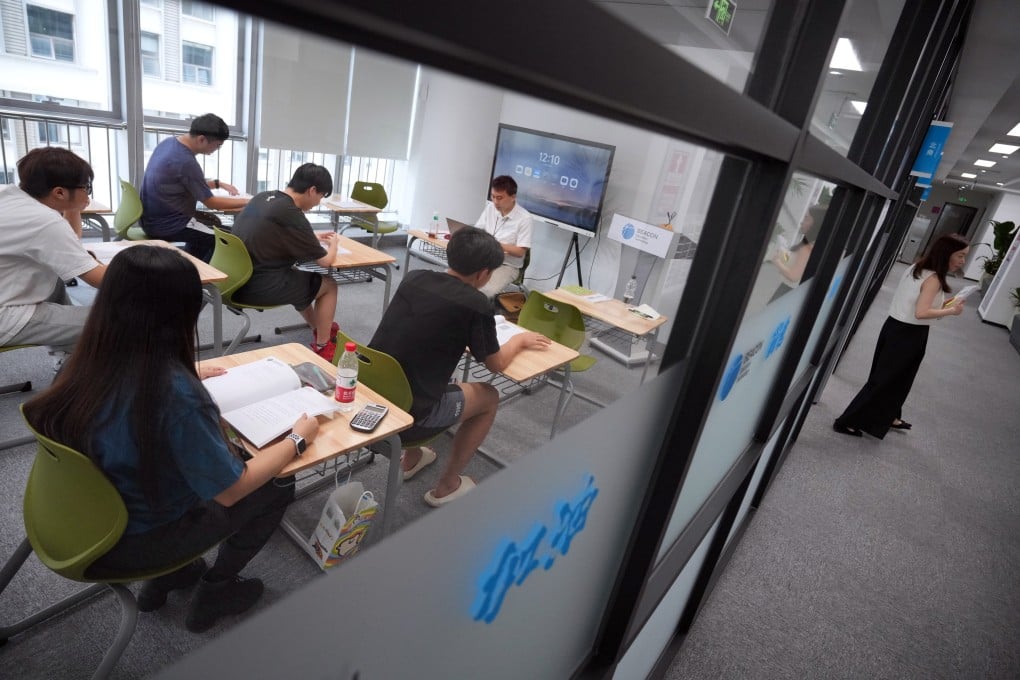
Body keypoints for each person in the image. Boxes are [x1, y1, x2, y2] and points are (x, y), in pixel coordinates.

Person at [22, 245, 319, 633]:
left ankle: (169, 577)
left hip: (71, 516)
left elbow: (131, 399)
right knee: (278, 483)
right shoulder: (176, 397)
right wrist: (297, 438)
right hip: (127, 543)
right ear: (179, 315)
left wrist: (184, 372)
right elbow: (231, 491)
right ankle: (216, 590)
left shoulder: (82, 362)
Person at [369, 227, 551, 506]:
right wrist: (520, 340)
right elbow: (496, 364)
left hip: (372, 399)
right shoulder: (476, 304)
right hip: (409, 418)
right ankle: (447, 485)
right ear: (482, 274)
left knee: (434, 371)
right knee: (490, 396)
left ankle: (412, 459)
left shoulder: (415, 278)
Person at [833, 233, 970, 439]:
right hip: (909, 334)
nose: (962, 261)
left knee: (896, 379)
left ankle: (890, 416)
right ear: (947, 254)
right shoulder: (933, 279)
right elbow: (921, 313)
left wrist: (944, 305)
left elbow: (917, 304)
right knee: (885, 380)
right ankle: (845, 421)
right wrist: (950, 311)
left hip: (895, 328)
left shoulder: (917, 268)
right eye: (960, 256)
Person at [231, 164, 341, 361]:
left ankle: (318, 329)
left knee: (299, 277)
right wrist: (334, 243)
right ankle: (324, 347)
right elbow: (325, 261)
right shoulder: (292, 212)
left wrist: (311, 236)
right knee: (329, 285)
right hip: (258, 287)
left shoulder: (263, 197)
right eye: (320, 197)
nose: (318, 203)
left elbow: (270, 231)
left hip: (236, 281)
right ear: (312, 190)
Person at [0, 147, 106, 350]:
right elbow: (100, 279)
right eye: (86, 187)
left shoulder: (9, 194)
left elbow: (68, 245)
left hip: (7, 289)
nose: (88, 193)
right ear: (59, 192)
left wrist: (72, 206)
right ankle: (74, 375)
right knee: (117, 320)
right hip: (7, 315)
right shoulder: (44, 221)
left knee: (57, 276)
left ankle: (70, 356)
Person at [140, 113, 250, 262]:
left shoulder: (169, 144)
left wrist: (218, 183)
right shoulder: (185, 161)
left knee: (213, 223)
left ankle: (188, 263)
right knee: (228, 239)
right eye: (217, 145)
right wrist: (249, 202)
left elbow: (187, 181)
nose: (216, 150)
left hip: (152, 219)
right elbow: (212, 203)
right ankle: (197, 273)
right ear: (202, 139)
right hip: (169, 224)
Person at [474, 175, 534, 298]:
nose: (495, 202)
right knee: (458, 280)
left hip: (507, 265)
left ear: (513, 197)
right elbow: (477, 231)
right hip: (483, 259)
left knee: (484, 292)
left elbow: (520, 252)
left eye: (500, 198)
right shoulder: (490, 208)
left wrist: (494, 244)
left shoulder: (525, 219)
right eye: (493, 197)